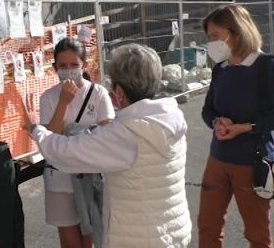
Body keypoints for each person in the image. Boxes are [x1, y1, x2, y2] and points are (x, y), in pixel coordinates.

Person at [22, 43, 192, 247]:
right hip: (172, 229)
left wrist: (36, 129)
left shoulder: (125, 132)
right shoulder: (171, 117)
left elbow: (64, 151)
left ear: (118, 91)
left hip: (138, 237)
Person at [198, 4, 274, 248]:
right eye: (208, 37)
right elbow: (208, 109)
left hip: (252, 162)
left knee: (257, 234)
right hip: (217, 159)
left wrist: (245, 128)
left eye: (215, 36)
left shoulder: (266, 66)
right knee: (207, 227)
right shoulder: (219, 68)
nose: (210, 43)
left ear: (237, 32)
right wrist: (217, 122)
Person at [40, 38, 114, 248]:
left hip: (91, 179)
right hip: (59, 180)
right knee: (70, 242)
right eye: (62, 66)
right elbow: (48, 139)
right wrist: (63, 102)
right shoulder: (49, 97)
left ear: (84, 65)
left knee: (92, 237)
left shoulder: (98, 94)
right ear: (54, 68)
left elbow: (107, 134)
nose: (68, 70)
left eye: (74, 65)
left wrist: (71, 137)